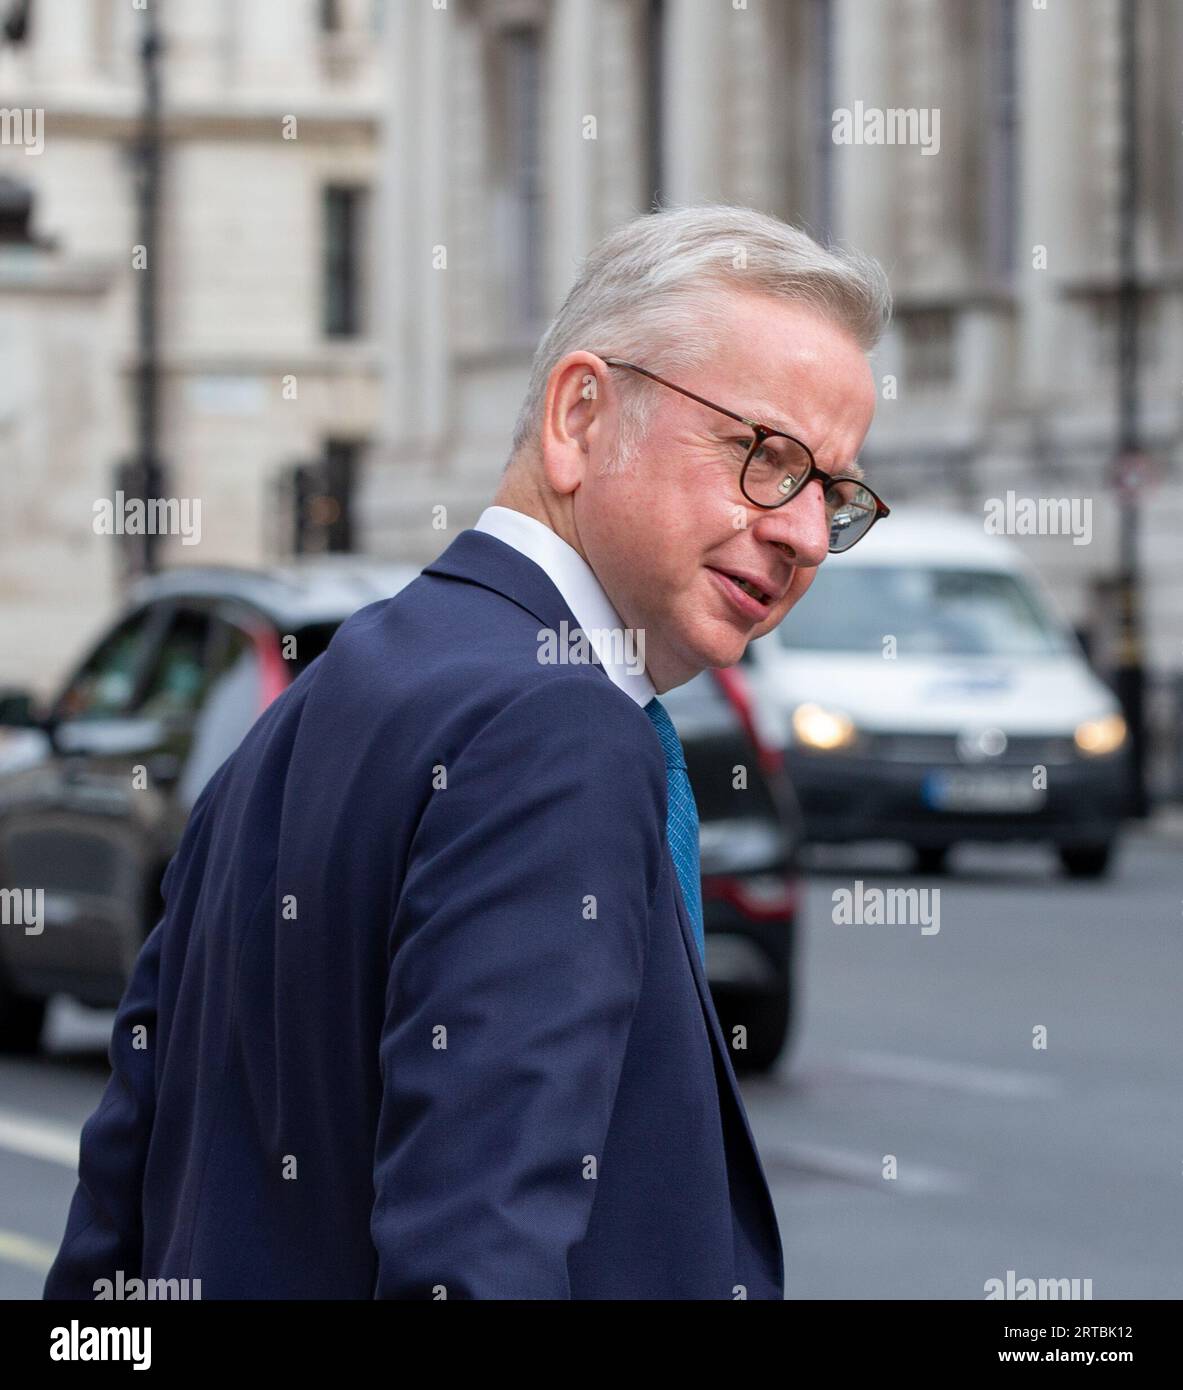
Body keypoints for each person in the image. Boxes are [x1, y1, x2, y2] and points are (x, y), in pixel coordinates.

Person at [44, 204, 889, 1300]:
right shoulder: (560, 729)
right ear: (580, 417)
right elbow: (477, 1256)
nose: (805, 532)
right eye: (764, 456)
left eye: (834, 491)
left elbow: (116, 1207)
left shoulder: (309, 708)